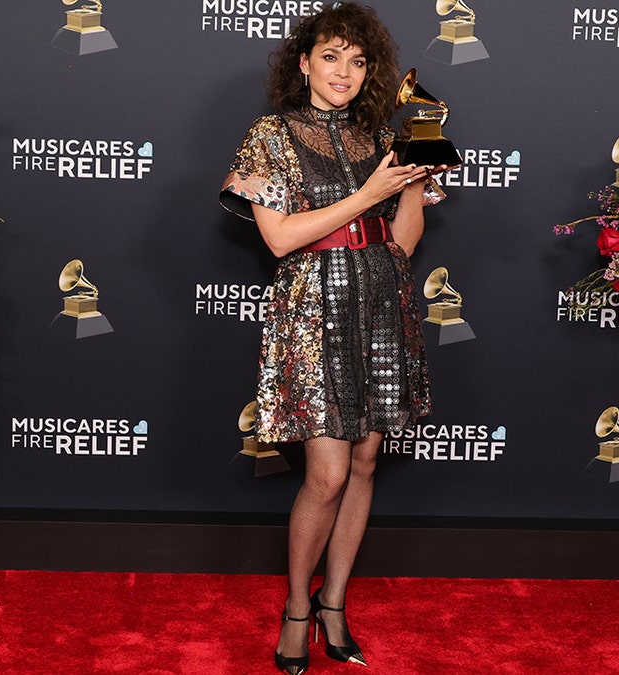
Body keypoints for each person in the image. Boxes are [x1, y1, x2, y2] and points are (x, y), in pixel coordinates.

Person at [219, 3, 446, 673]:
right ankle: (296, 608)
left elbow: (402, 244)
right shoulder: (270, 135)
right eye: (330, 57)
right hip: (313, 311)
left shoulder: (381, 133)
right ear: (304, 62)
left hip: (382, 303)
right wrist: (369, 189)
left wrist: (413, 181)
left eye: (357, 60)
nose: (343, 71)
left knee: (368, 463)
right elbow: (282, 238)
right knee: (327, 472)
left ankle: (335, 603)